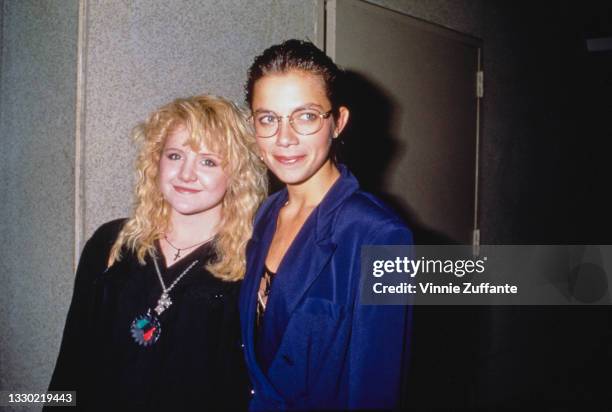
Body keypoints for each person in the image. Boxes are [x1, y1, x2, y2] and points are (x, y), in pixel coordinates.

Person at [47, 95, 268, 410]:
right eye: (175, 155)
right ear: (156, 160)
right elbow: (71, 364)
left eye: (208, 161)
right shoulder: (110, 244)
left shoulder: (251, 265)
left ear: (237, 174)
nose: (186, 174)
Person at [239, 39, 413, 410]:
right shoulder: (265, 214)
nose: (284, 138)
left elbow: (374, 391)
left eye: (305, 116)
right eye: (268, 118)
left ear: (338, 122)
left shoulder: (379, 236)